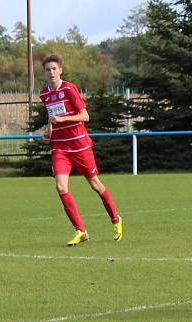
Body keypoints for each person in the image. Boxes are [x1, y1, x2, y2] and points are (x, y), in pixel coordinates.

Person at [39, 54, 122, 246]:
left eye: (54, 69)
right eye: (47, 69)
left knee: (95, 185)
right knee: (60, 186)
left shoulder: (69, 88)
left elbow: (85, 116)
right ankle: (80, 230)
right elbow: (52, 117)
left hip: (80, 145)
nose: (51, 72)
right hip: (60, 146)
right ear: (44, 73)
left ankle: (116, 219)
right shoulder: (44, 94)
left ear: (60, 70)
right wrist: (49, 133)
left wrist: (63, 120)